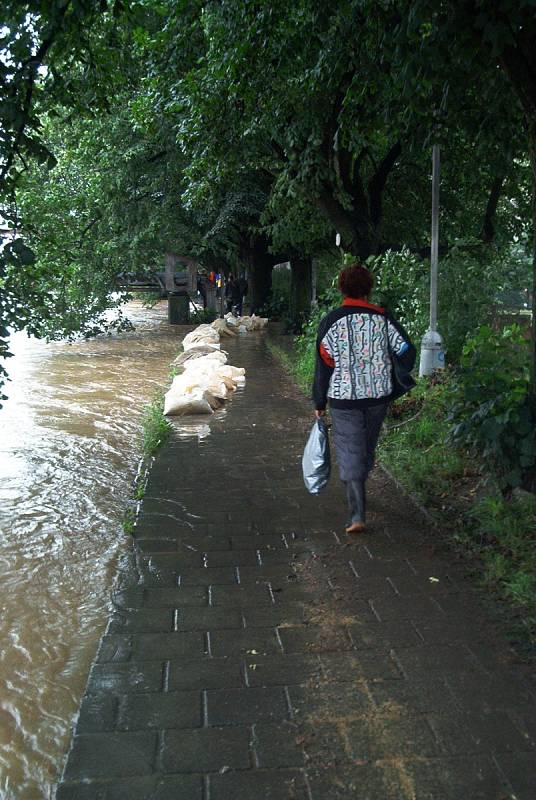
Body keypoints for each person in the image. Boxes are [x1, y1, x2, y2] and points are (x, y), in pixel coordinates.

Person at [312, 263, 416, 534]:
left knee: (350, 451)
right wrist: (394, 370)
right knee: (365, 448)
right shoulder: (383, 319)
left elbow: (324, 363)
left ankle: (357, 514)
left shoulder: (332, 321)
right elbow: (407, 351)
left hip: (343, 399)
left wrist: (319, 403)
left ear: (341, 288)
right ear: (368, 289)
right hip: (378, 397)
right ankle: (359, 488)